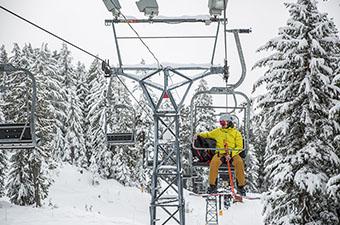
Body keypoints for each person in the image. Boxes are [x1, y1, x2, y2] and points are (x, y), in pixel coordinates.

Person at [195, 113, 246, 196]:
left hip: (233, 154)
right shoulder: (218, 131)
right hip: (220, 153)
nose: (221, 125)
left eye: (223, 123)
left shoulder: (236, 133)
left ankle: (241, 187)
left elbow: (239, 146)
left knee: (239, 163)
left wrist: (230, 154)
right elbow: (208, 134)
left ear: (229, 122)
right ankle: (212, 186)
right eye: (220, 123)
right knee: (214, 163)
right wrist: (197, 135)